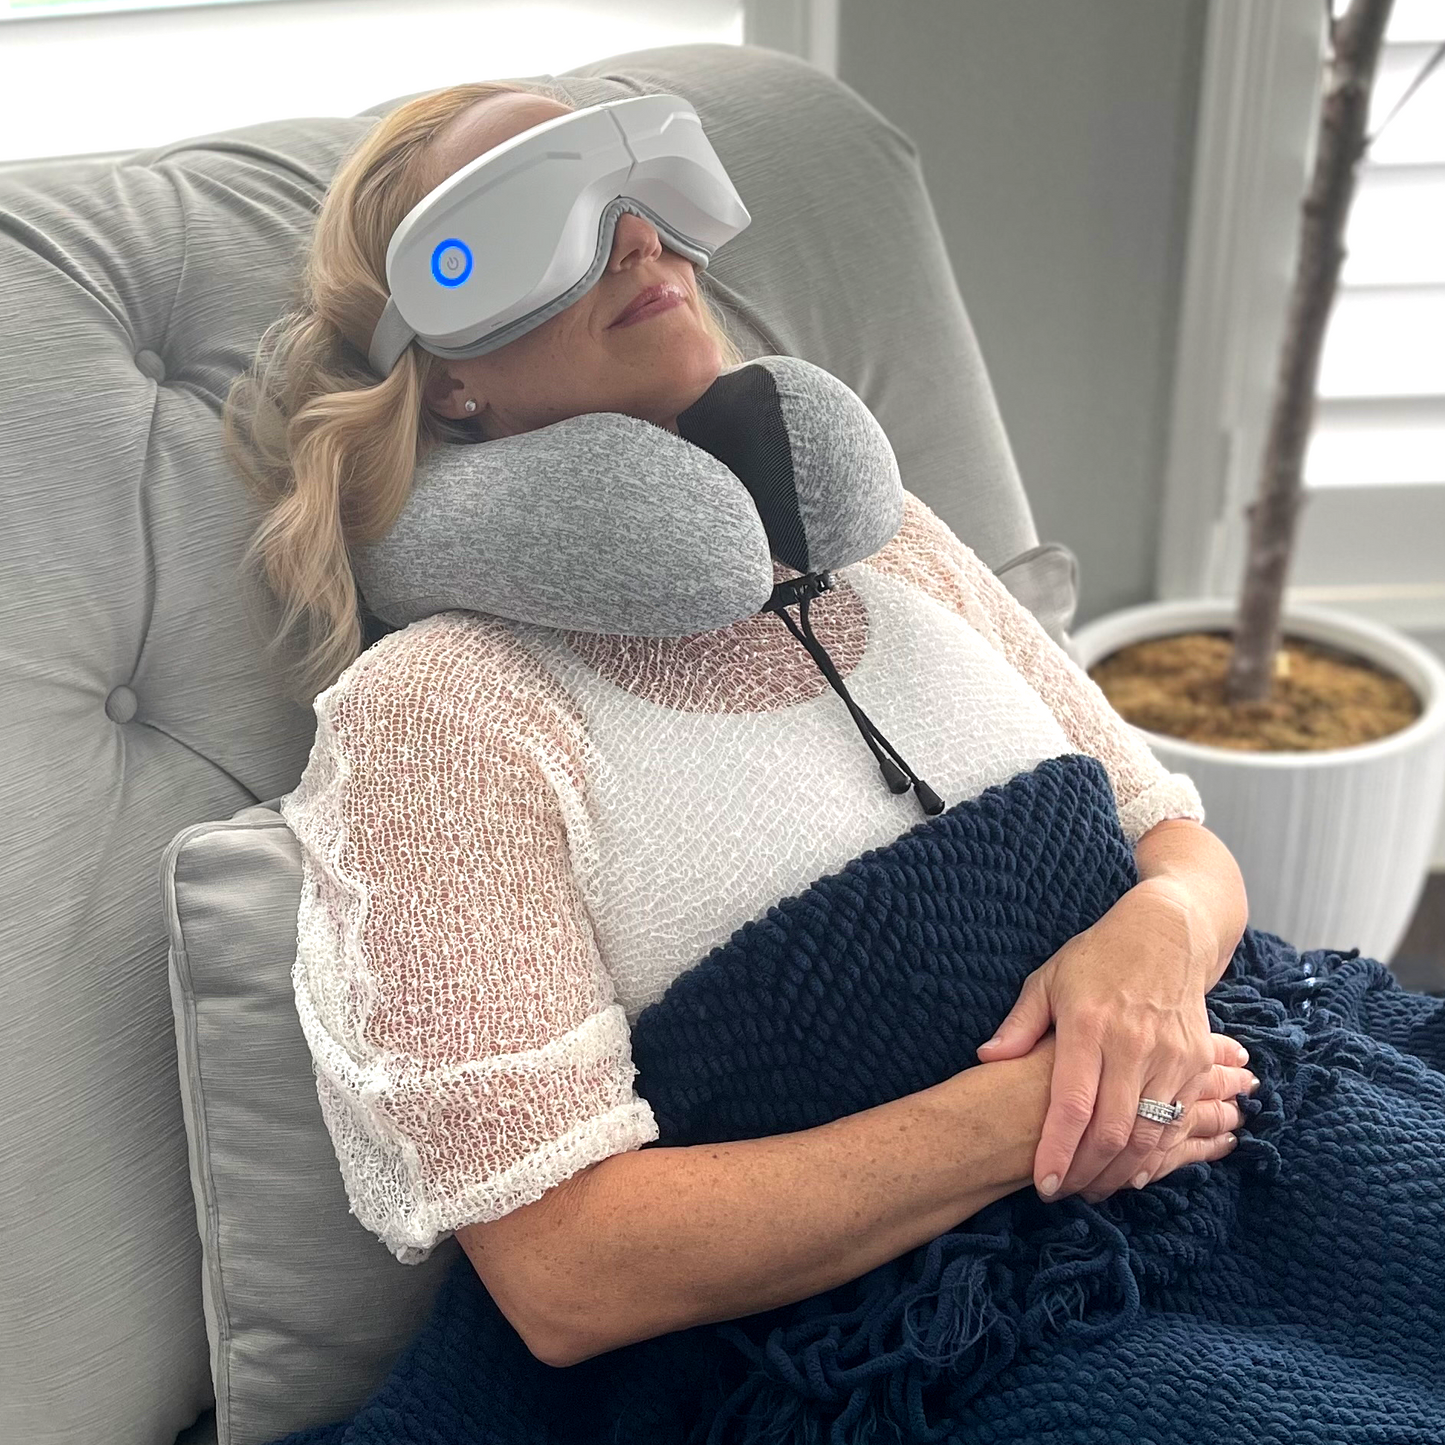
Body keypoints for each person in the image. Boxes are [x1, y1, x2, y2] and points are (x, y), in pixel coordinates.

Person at [226, 83, 1269, 1374]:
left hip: (1240, 1112)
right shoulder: (441, 713)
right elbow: (566, 1273)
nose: (636, 242)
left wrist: (1155, 941)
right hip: (914, 1346)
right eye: (539, 225)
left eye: (646, 197)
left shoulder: (882, 538)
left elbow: (1174, 836)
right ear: (444, 379)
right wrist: (1046, 1112)